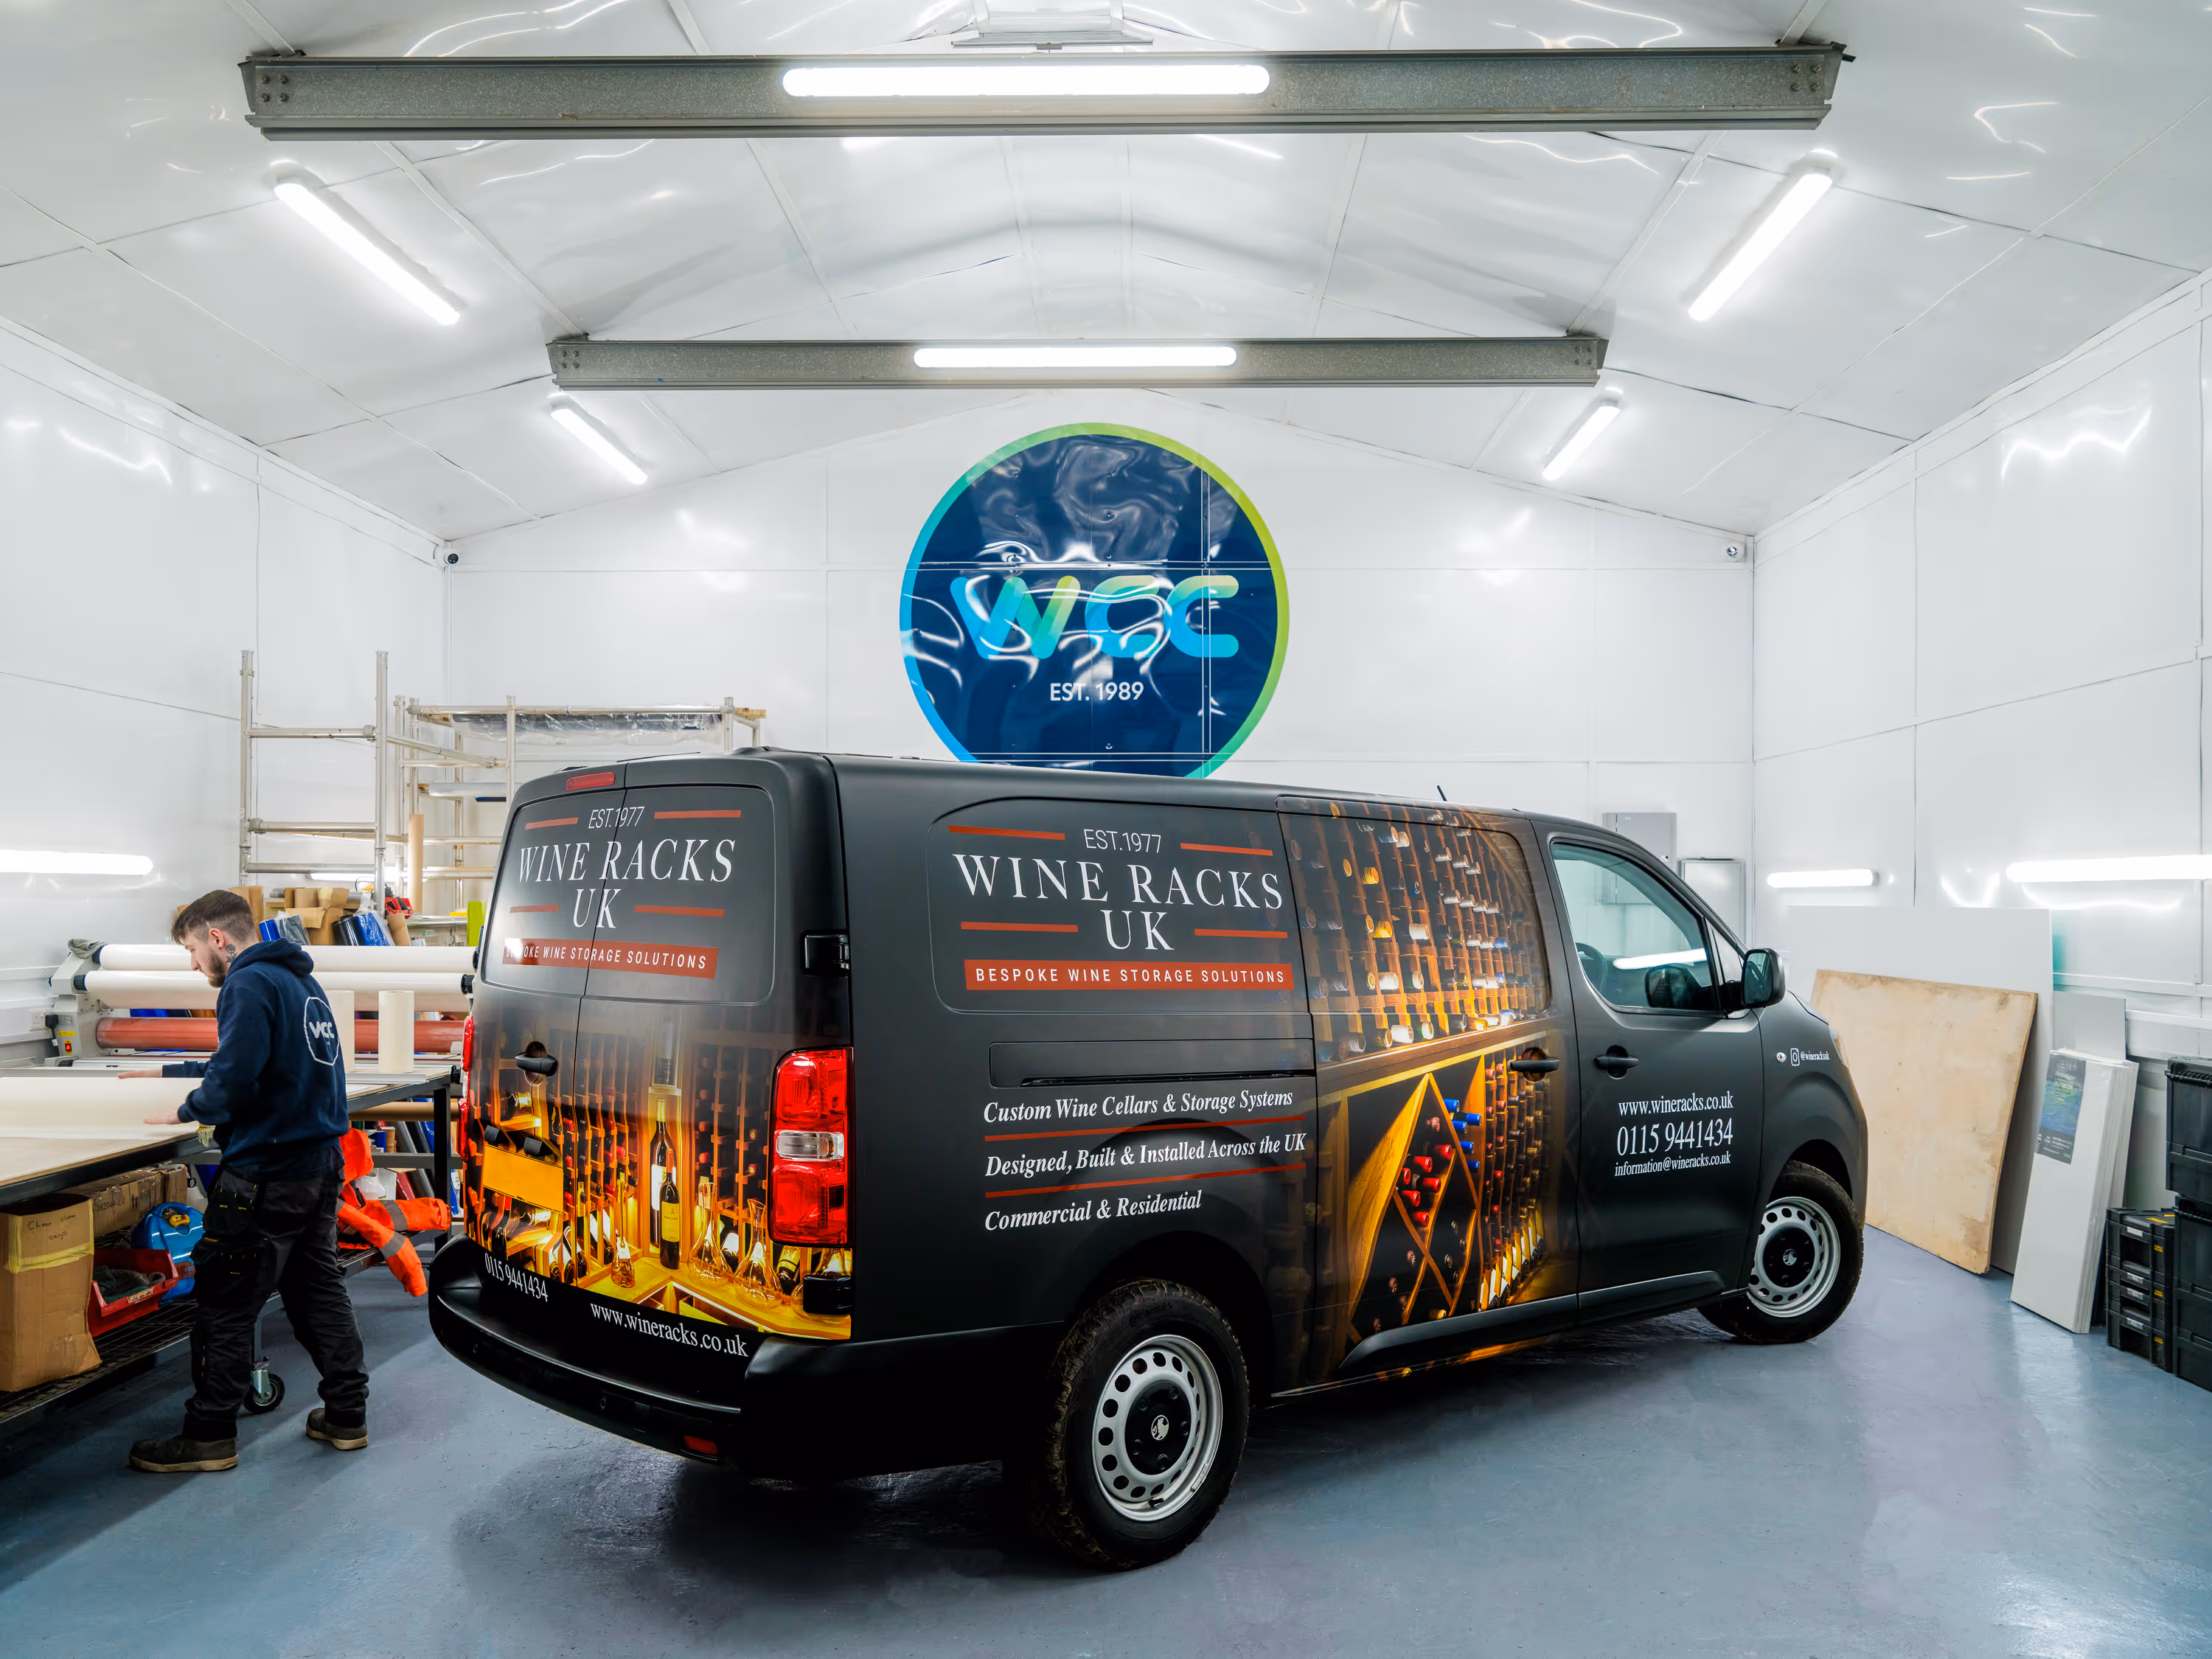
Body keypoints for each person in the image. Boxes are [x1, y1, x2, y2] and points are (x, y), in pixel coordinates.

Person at [123, 890, 369, 1472]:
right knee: (317, 1290)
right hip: (317, 1165)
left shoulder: (248, 982)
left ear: (216, 938)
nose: (192, 965)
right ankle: (346, 1415)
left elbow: (234, 1077)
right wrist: (175, 1070)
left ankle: (208, 1436)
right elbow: (266, 1058)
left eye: (190, 950)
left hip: (267, 1173)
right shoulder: (300, 981)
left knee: (226, 1303)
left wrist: (188, 1108)